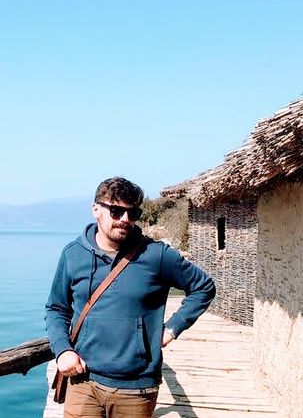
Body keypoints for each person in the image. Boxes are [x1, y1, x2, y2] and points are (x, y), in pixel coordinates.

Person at [45, 176, 216, 418]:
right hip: (83, 381)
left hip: (136, 388)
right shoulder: (73, 254)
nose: (125, 219)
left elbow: (203, 287)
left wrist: (172, 329)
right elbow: (56, 308)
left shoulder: (156, 255)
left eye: (133, 213)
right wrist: (63, 350)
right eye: (116, 211)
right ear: (96, 209)